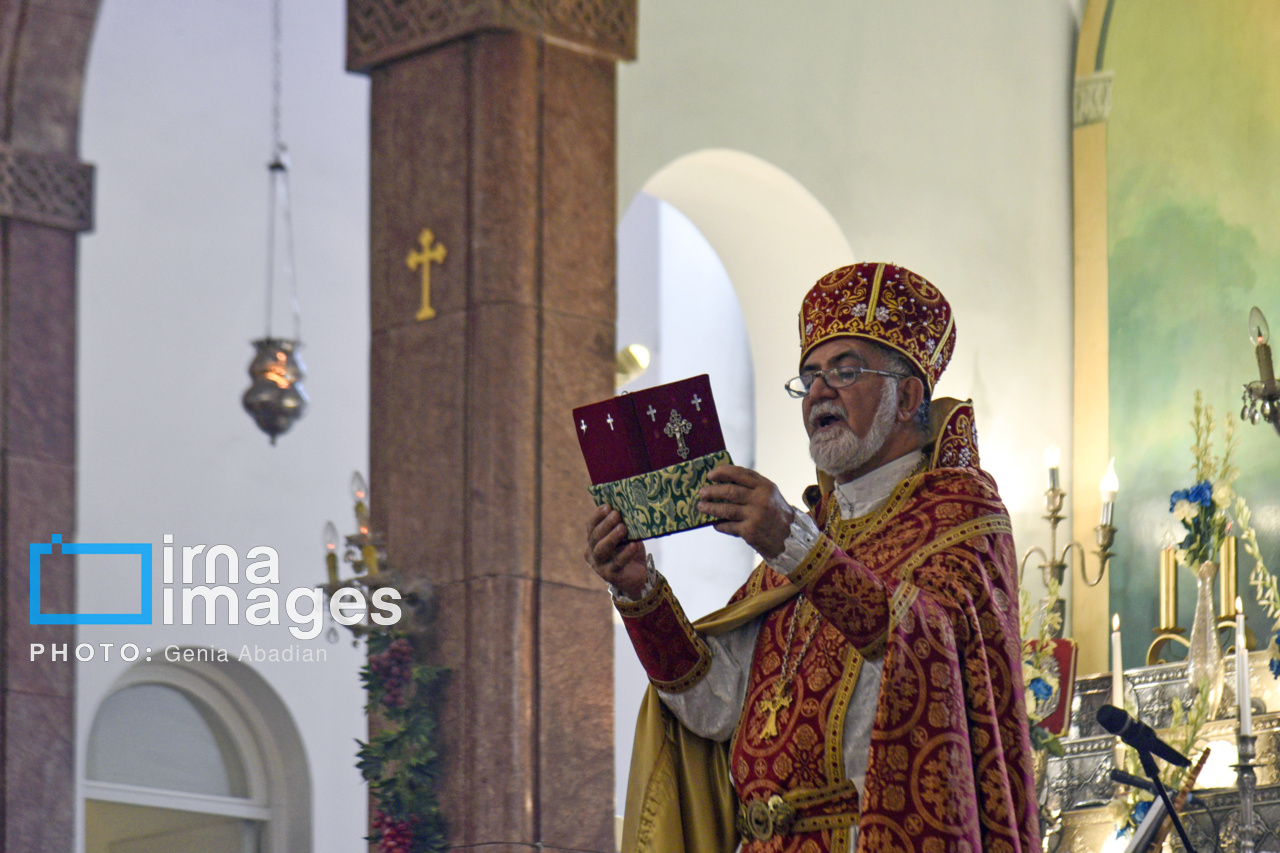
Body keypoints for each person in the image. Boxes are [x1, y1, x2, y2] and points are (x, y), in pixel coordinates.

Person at [586, 262, 1039, 853]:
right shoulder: (813, 535)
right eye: (809, 377)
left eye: (845, 371)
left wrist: (793, 545)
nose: (819, 392)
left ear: (907, 396)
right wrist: (639, 593)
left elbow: (929, 653)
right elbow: (717, 707)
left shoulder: (961, 513)